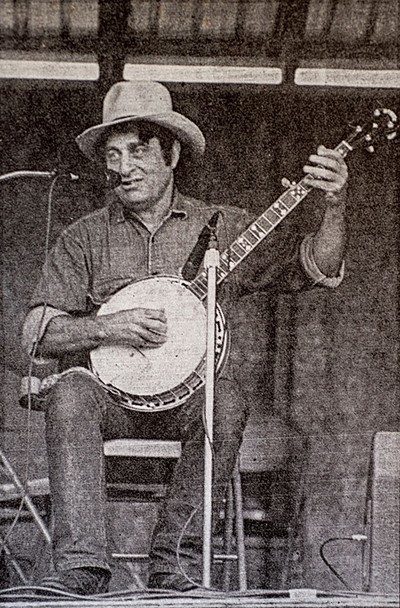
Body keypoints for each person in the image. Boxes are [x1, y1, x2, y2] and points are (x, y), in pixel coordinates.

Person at [22, 80, 348, 595]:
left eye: (137, 150)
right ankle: (81, 567)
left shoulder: (224, 228)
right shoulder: (84, 237)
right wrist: (108, 326)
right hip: (111, 401)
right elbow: (35, 335)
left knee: (226, 401)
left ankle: (175, 564)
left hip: (188, 401)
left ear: (171, 153)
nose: (122, 167)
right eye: (112, 154)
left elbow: (315, 267)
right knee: (68, 392)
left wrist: (333, 205)